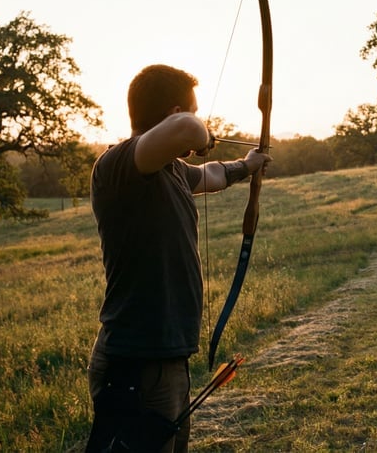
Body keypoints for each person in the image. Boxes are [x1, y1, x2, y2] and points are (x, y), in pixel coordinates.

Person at [85, 64, 270, 453]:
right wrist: (198, 132)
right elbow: (189, 129)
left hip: (165, 356)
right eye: (193, 110)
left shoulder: (170, 170)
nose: (198, 120)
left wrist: (247, 166)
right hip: (136, 361)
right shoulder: (120, 164)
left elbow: (212, 175)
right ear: (173, 114)